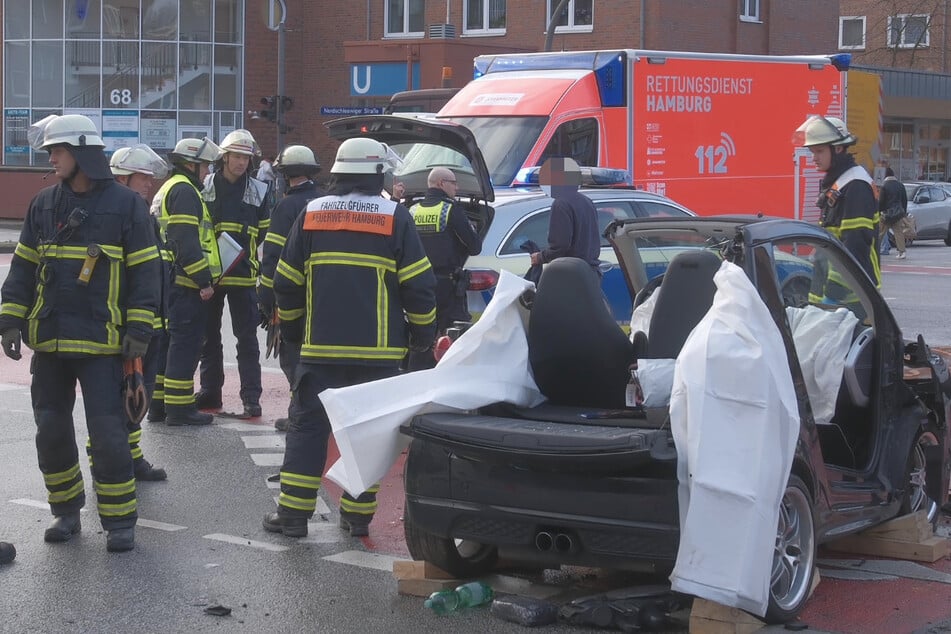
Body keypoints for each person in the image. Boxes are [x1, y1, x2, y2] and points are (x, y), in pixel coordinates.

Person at [0, 114, 162, 552]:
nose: (51, 158)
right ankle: (66, 511)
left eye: (58, 151)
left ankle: (119, 521)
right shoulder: (44, 204)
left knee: (109, 436)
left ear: (82, 153)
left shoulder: (127, 206)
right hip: (51, 342)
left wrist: (139, 330)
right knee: (50, 430)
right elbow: (25, 266)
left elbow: (147, 274)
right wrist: (10, 319)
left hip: (103, 346)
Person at [262, 137, 436, 538]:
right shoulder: (395, 217)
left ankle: (292, 516)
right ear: (378, 173)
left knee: (308, 429)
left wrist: (292, 328)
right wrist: (422, 336)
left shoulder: (310, 213)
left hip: (319, 351)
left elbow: (284, 283)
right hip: (378, 357)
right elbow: (419, 287)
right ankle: (357, 518)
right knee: (368, 435)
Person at [196, 129, 272, 418]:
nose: (241, 163)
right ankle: (210, 391)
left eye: (246, 158)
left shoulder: (258, 189)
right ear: (224, 157)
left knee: (247, 339)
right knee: (209, 337)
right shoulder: (206, 185)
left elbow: (263, 228)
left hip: (242, 275)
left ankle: (251, 397)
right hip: (211, 275)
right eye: (237, 156)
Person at [107, 145, 170, 480]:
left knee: (137, 399)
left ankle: (130, 457)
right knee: (118, 403)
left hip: (152, 325)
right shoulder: (115, 218)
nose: (150, 184)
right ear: (122, 177)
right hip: (130, 329)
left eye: (150, 178)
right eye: (143, 178)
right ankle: (112, 463)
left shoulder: (145, 216)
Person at [153, 137, 224, 426]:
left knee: (168, 346)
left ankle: (159, 405)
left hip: (170, 280)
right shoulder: (184, 191)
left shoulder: (169, 187)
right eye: (205, 166)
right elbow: (186, 241)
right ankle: (180, 409)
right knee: (185, 345)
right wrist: (203, 280)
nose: (207, 172)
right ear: (192, 165)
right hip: (184, 283)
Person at [258, 145, 325, 432]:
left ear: (285, 176)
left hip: (291, 294)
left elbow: (272, 254)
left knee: (291, 355)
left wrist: (265, 294)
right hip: (321, 293)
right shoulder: (325, 201)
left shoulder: (286, 206)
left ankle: (300, 412)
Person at [406, 167, 482, 370]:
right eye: (453, 182)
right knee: (453, 338)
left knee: (422, 336)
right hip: (447, 286)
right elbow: (474, 247)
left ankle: (415, 379)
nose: (457, 187)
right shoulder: (451, 209)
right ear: (441, 183)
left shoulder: (413, 210)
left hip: (418, 283)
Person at [794, 115, 881, 288]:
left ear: (838, 148)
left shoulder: (855, 185)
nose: (814, 158)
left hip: (851, 296)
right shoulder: (840, 182)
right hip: (832, 291)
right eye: (813, 152)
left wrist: (834, 293)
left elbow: (854, 248)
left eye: (819, 151)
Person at [529, 157, 601, 275]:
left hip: (571, 274)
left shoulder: (561, 204)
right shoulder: (587, 201)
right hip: (590, 272)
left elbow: (560, 246)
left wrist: (540, 257)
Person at [878, 167, 909, 259]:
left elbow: (881, 202)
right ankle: (902, 252)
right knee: (898, 233)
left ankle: (874, 249)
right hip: (898, 214)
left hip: (886, 214)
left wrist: (879, 212)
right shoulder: (900, 185)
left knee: (880, 233)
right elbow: (904, 200)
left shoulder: (884, 186)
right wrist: (903, 212)